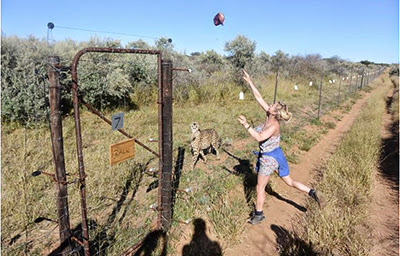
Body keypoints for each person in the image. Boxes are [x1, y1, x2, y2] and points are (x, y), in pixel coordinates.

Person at [237, 70, 320, 225]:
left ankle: (258, 214)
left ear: (275, 113)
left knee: (260, 188)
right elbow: (259, 97)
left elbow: (259, 137)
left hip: (269, 158)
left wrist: (246, 124)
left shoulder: (273, 125)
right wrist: (250, 82)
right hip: (278, 155)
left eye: (273, 105)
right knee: (289, 181)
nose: (270, 104)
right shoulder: (270, 116)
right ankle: (311, 192)